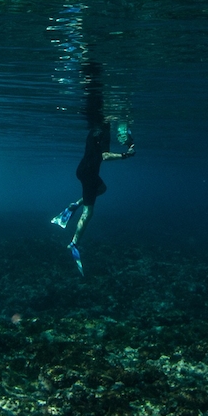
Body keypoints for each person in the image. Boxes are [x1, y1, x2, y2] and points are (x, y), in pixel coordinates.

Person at [51, 61, 134, 275]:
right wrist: (125, 155)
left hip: (84, 170)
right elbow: (104, 156)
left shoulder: (97, 128)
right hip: (88, 173)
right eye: (113, 114)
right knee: (89, 211)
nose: (114, 117)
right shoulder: (102, 131)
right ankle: (74, 242)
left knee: (102, 189)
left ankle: (74, 205)